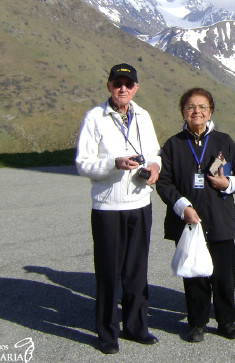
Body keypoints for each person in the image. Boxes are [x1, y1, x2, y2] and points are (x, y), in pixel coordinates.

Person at [75, 63, 161, 354]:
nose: (122, 88)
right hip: (108, 207)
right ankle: (107, 333)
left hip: (140, 202)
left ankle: (137, 327)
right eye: (117, 83)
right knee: (109, 272)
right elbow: (82, 163)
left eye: (128, 83)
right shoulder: (94, 117)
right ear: (109, 86)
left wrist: (154, 168)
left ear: (136, 87)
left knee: (137, 271)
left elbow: (153, 153)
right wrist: (114, 163)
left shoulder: (144, 116)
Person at [156, 88, 235, 343]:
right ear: (183, 112)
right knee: (194, 274)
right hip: (188, 221)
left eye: (202, 107)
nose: (196, 112)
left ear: (210, 111)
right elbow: (164, 183)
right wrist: (183, 207)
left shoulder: (224, 141)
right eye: (190, 107)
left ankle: (227, 321)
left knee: (223, 275)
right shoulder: (173, 144)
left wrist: (228, 183)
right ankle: (197, 322)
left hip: (220, 219)